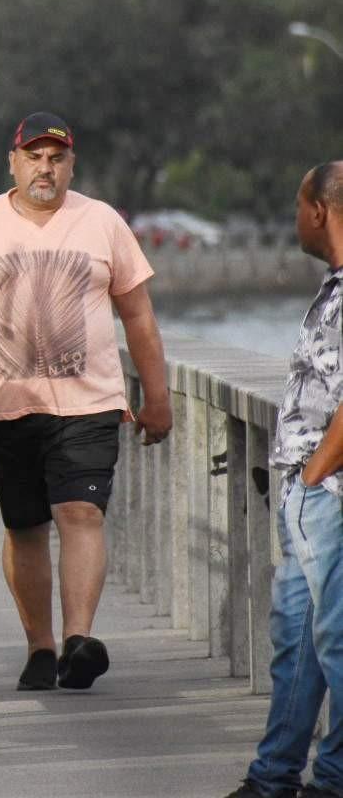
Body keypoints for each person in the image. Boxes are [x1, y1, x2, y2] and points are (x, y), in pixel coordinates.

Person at [0, 111, 172, 693]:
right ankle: (40, 644)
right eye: (34, 156)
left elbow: (137, 314)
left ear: (71, 165)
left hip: (90, 402)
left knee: (81, 513)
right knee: (25, 527)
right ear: (13, 162)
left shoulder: (101, 221)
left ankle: (78, 640)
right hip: (9, 403)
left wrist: (157, 395)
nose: (46, 167)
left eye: (56, 158)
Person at [224, 162, 343, 798]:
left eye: (299, 204)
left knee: (336, 642)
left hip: (327, 494)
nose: (295, 217)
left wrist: (318, 473)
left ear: (320, 211)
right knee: (295, 640)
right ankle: (273, 778)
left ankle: (334, 778)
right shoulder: (334, 287)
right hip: (307, 491)